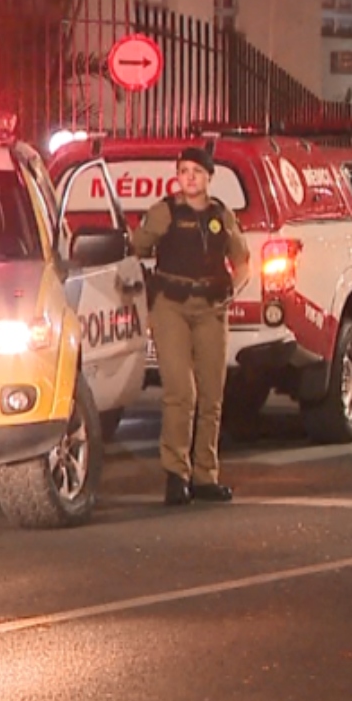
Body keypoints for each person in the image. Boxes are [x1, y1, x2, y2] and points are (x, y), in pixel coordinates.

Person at [132, 146, 251, 506]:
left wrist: (234, 289)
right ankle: (175, 474)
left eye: (196, 171)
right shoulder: (165, 211)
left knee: (212, 395)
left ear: (209, 177)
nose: (189, 177)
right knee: (181, 392)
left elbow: (241, 260)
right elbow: (136, 246)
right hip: (172, 306)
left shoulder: (221, 215)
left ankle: (205, 475)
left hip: (211, 307)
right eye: (183, 171)